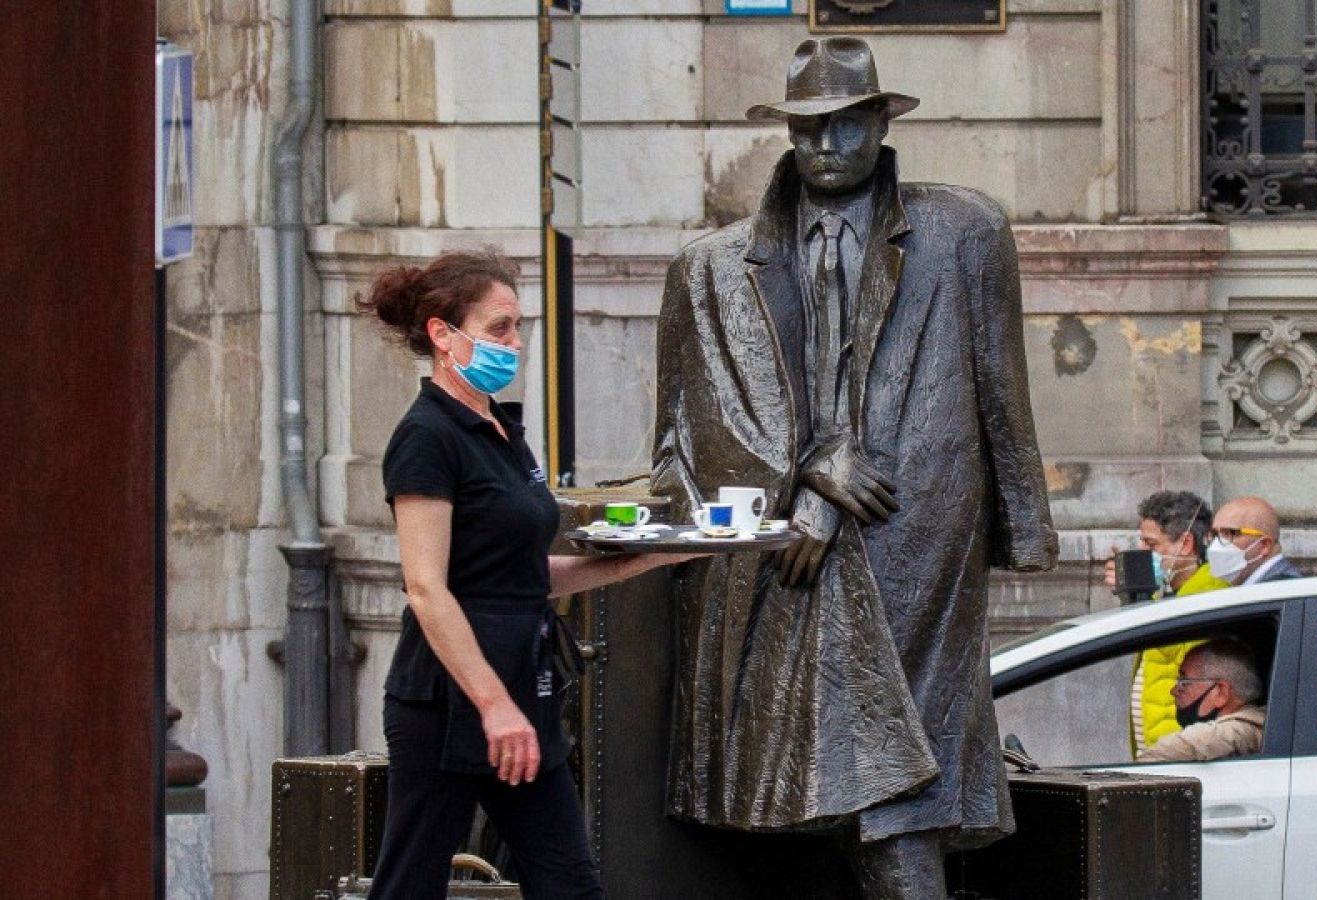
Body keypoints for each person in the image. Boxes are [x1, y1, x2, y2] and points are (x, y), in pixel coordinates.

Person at [651, 37, 1058, 899]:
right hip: (786, 557)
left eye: (844, 127)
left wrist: (1023, 525)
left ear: (880, 122)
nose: (825, 149)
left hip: (921, 527)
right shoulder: (711, 268)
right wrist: (800, 470)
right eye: (807, 131)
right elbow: (684, 441)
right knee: (836, 778)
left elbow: (998, 383)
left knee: (898, 774)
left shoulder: (965, 231)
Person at [357, 250, 697, 899]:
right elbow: (427, 588)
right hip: (452, 702)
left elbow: (521, 577)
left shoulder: (502, 431)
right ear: (441, 333)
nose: (515, 343)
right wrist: (493, 707)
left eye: (517, 327)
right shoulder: (428, 436)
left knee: (569, 883)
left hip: (523, 691)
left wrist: (656, 554)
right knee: (411, 884)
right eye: (499, 328)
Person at [1101, 491, 1232, 752]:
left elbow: (1171, 648)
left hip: (1179, 751)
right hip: (1161, 747)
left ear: (1185, 544)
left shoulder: (1208, 596)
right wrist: (1136, 595)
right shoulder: (1171, 595)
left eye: (1152, 545)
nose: (1143, 552)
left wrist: (1140, 597)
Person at [1137, 637, 1267, 763]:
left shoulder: (1245, 729)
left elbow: (1203, 740)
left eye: (1184, 681)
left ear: (1221, 692)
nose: (1173, 691)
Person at [1207, 495, 1303, 585]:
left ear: (1264, 545)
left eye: (1230, 533)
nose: (1217, 543)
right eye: (1215, 534)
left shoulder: (1279, 590)